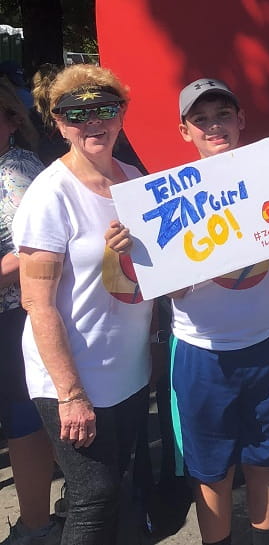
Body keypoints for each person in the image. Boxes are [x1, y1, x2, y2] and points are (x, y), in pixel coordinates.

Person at [12, 66, 153, 545]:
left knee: (114, 490)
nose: (93, 122)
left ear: (122, 114)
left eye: (105, 108)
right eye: (77, 113)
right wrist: (70, 394)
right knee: (93, 496)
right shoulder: (49, 194)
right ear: (57, 121)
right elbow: (37, 301)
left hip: (128, 370)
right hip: (74, 378)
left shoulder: (133, 179)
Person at [170, 77, 269, 545]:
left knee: (266, 460)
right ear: (184, 130)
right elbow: (166, 292)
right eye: (201, 119)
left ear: (241, 120)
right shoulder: (169, 200)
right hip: (201, 352)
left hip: (267, 342)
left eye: (223, 115)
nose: (214, 126)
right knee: (211, 471)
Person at [0, 79, 59, 545]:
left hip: (15, 315)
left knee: (23, 421)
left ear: (11, 121)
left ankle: (36, 524)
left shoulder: (17, 171)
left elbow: (32, 249)